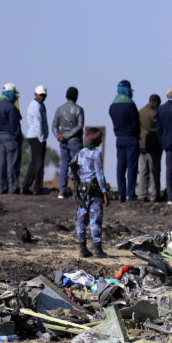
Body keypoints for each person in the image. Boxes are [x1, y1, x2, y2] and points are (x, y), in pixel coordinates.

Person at [71, 127, 109, 259]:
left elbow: (71, 173)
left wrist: (79, 181)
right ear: (94, 139)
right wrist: (104, 193)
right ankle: (97, 250)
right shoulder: (96, 154)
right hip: (94, 191)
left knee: (81, 220)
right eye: (99, 138)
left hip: (81, 192)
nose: (100, 141)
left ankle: (83, 248)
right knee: (95, 219)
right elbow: (99, 174)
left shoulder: (79, 153)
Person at [109, 80, 140, 202]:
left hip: (119, 139)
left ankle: (121, 194)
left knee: (120, 168)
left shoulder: (113, 106)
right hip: (131, 139)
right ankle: (130, 194)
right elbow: (136, 122)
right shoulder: (130, 104)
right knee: (131, 168)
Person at [52, 86, 84, 199]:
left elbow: (54, 126)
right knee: (77, 166)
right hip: (75, 141)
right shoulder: (79, 109)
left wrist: (60, 136)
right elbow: (80, 126)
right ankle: (78, 190)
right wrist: (67, 136)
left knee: (64, 165)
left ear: (66, 96)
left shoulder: (59, 109)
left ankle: (62, 190)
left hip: (63, 142)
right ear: (76, 97)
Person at [0, 83, 23, 194]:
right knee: (12, 163)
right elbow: (14, 125)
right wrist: (18, 138)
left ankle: (2, 187)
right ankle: (13, 187)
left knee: (1, 162)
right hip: (11, 137)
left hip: (0, 136)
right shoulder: (11, 107)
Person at [22, 85, 49, 195]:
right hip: (37, 137)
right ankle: (37, 188)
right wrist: (42, 139)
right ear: (35, 94)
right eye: (40, 95)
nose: (42, 97)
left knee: (34, 163)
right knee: (38, 164)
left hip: (34, 136)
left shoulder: (38, 105)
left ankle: (26, 186)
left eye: (43, 95)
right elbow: (38, 124)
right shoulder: (36, 106)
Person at [137, 94, 162, 202]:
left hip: (142, 145)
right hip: (154, 146)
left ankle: (142, 194)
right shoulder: (156, 113)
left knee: (143, 170)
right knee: (154, 171)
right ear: (156, 102)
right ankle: (154, 194)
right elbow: (160, 129)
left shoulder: (140, 111)